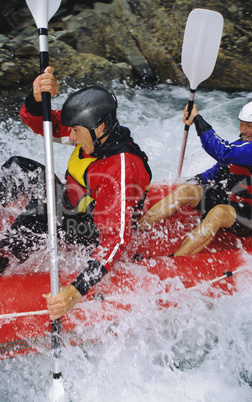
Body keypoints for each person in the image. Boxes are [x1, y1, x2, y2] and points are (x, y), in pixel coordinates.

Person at [0, 66, 151, 319]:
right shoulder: (94, 131)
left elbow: (115, 241)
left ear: (100, 127)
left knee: (39, 216)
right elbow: (43, 124)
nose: (69, 136)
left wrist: (75, 291)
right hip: (72, 202)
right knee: (17, 167)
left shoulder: (122, 169)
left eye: (75, 132)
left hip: (88, 229)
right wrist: (37, 100)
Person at [138, 99, 252, 256]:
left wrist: (197, 120)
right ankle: (137, 229)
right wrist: (190, 182)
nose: (243, 130)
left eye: (249, 126)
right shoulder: (244, 144)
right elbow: (216, 172)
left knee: (218, 212)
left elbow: (223, 151)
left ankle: (176, 259)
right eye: (241, 124)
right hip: (231, 199)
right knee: (185, 191)